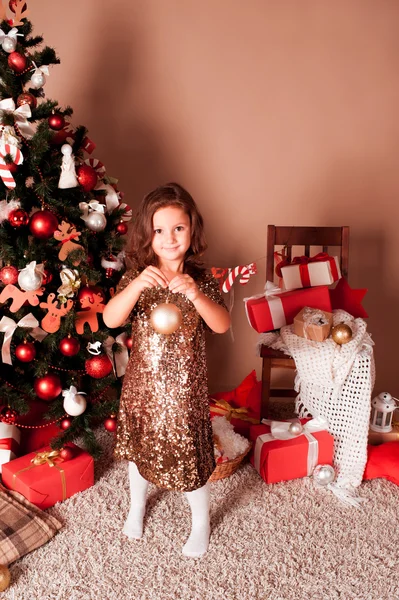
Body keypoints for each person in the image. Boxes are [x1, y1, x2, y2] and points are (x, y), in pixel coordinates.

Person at [103, 183, 230, 558]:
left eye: (179, 228)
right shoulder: (140, 278)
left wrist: (195, 294)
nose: (170, 238)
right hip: (144, 387)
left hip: (185, 391)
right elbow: (111, 319)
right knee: (141, 451)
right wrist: (136, 285)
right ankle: (137, 506)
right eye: (160, 230)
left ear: (192, 231)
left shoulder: (200, 279)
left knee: (191, 456)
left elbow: (221, 324)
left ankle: (201, 522)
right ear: (148, 235)